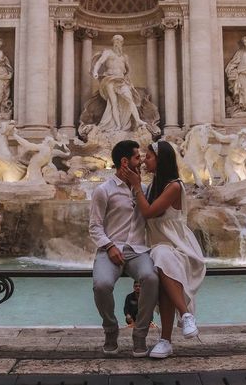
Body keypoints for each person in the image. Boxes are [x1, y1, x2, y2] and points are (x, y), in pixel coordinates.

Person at [122, 140, 206, 359]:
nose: (144, 160)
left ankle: (185, 316)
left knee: (161, 256)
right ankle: (166, 341)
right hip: (160, 248)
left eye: (148, 157)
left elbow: (149, 212)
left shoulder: (174, 186)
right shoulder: (154, 187)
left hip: (179, 246)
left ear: (160, 160)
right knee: (162, 273)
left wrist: (136, 185)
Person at [89, 140, 158, 357]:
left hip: (138, 250)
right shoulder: (103, 190)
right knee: (101, 285)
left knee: (151, 278)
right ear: (125, 162)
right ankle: (110, 330)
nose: (143, 162)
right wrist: (109, 246)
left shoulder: (145, 190)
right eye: (138, 158)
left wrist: (137, 188)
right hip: (110, 250)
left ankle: (140, 334)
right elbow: (94, 227)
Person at [91, 35, 146, 132]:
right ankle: (118, 125)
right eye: (116, 41)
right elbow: (99, 62)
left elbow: (128, 70)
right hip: (110, 79)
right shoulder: (108, 53)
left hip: (121, 80)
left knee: (129, 99)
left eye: (119, 41)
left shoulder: (124, 57)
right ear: (113, 42)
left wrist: (128, 80)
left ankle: (138, 120)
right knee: (114, 103)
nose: (117, 42)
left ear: (122, 43)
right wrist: (95, 71)